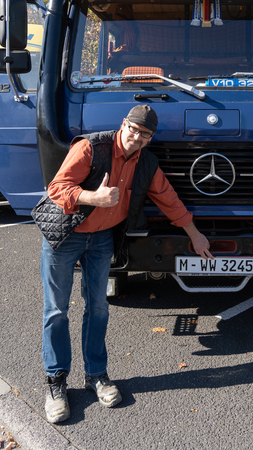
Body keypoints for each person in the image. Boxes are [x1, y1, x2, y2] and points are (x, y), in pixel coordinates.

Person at [32, 105, 213, 424]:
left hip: (102, 239)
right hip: (66, 236)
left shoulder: (146, 163)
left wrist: (195, 235)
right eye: (133, 129)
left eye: (145, 134)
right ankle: (56, 383)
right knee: (56, 310)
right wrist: (93, 198)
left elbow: (169, 199)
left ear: (150, 138)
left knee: (99, 307)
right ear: (123, 125)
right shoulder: (90, 147)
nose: (137, 137)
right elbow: (57, 189)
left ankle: (96, 375)